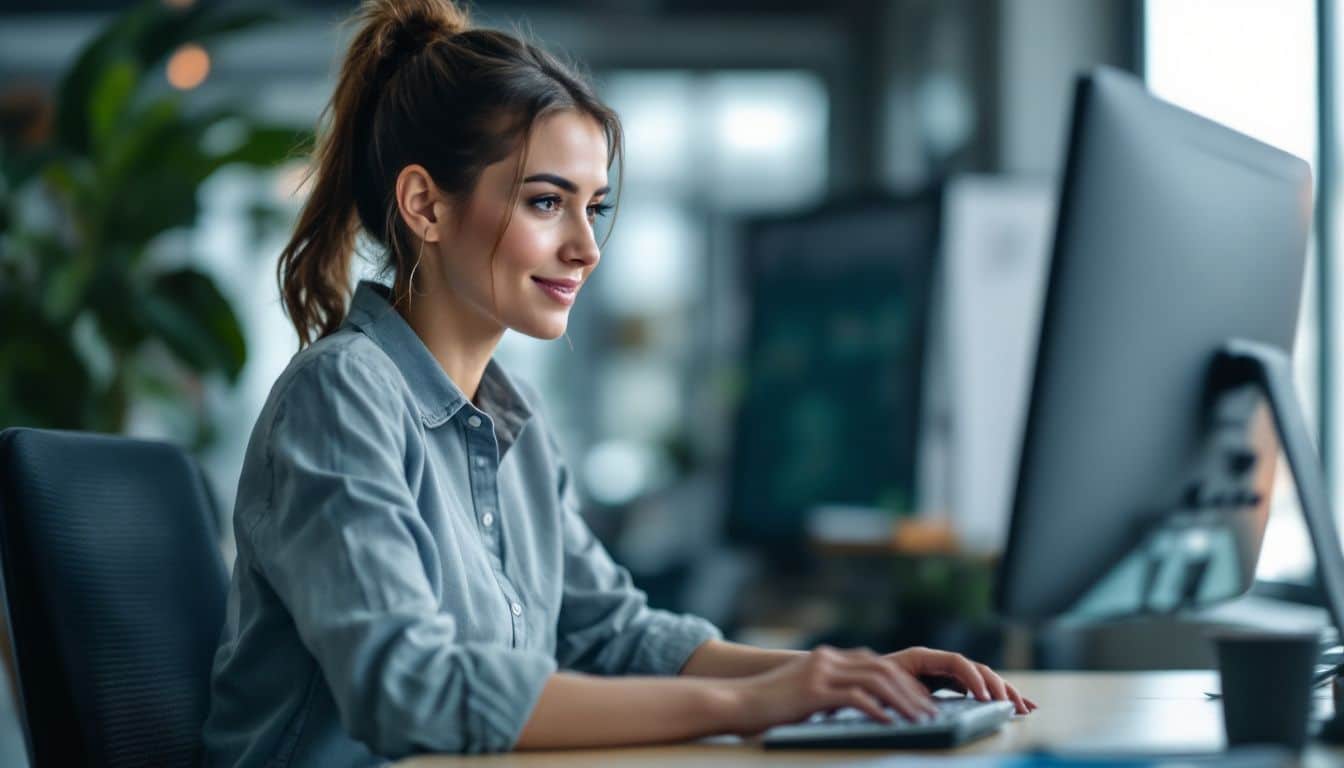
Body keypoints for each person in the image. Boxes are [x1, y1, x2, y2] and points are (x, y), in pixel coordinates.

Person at [201, 1, 1035, 764]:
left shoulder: (509, 416)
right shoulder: (340, 397)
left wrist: (835, 676)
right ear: (424, 204)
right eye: (543, 202)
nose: (586, 248)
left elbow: (612, 633)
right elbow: (410, 690)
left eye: (593, 207)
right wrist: (742, 705)